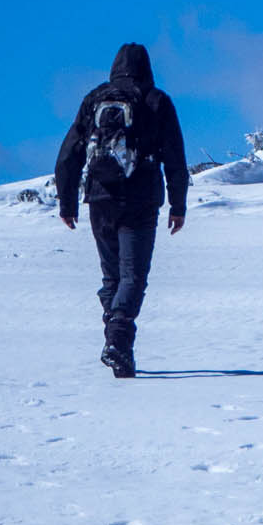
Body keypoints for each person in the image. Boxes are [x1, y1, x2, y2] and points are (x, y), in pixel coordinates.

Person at [53, 43, 189, 378]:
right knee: (132, 277)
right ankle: (117, 341)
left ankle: (120, 350)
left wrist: (67, 202)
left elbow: (69, 153)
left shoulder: (95, 99)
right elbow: (175, 157)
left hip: (100, 199)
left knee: (112, 277)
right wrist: (178, 204)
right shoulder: (156, 101)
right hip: (140, 201)